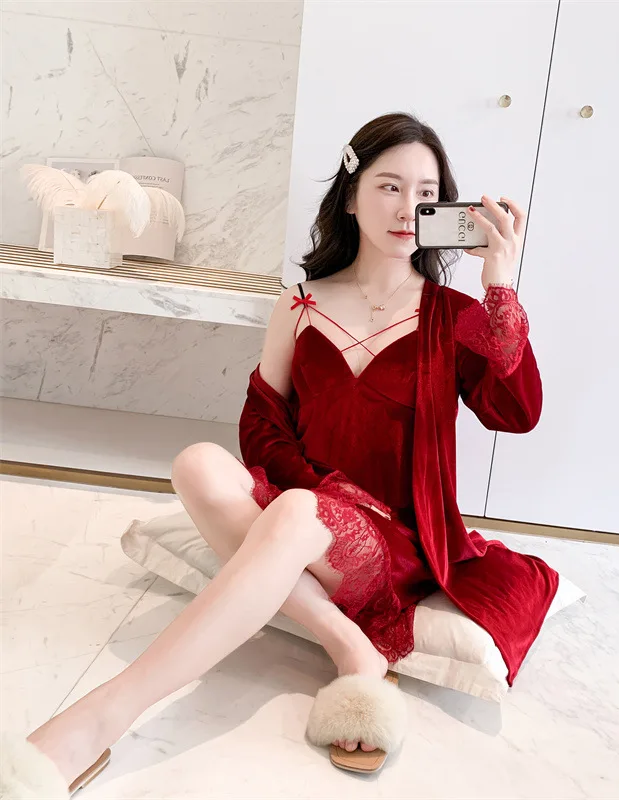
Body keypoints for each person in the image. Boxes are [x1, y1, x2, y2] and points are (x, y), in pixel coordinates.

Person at [0, 112, 558, 796]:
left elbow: (516, 413)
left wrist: (501, 286)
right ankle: (348, 643)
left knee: (293, 513)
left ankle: (95, 723)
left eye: (426, 193)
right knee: (197, 462)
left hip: (397, 541)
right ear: (350, 197)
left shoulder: (456, 315)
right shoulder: (301, 304)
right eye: (389, 186)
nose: (406, 209)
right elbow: (262, 423)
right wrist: (316, 496)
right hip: (310, 508)